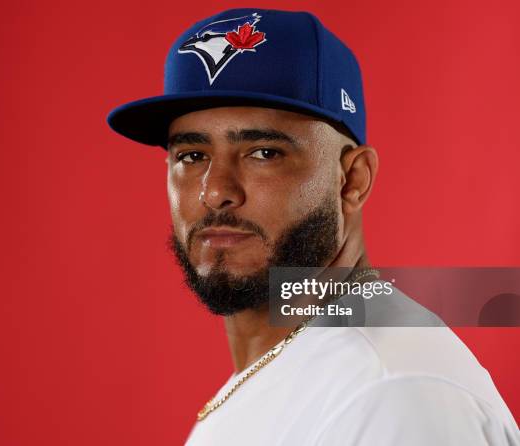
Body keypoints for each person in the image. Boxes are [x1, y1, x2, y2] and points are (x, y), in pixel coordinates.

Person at [106, 8, 519, 445]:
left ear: (352, 179)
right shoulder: (302, 367)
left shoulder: (391, 390)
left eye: (263, 152)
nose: (215, 191)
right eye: (192, 156)